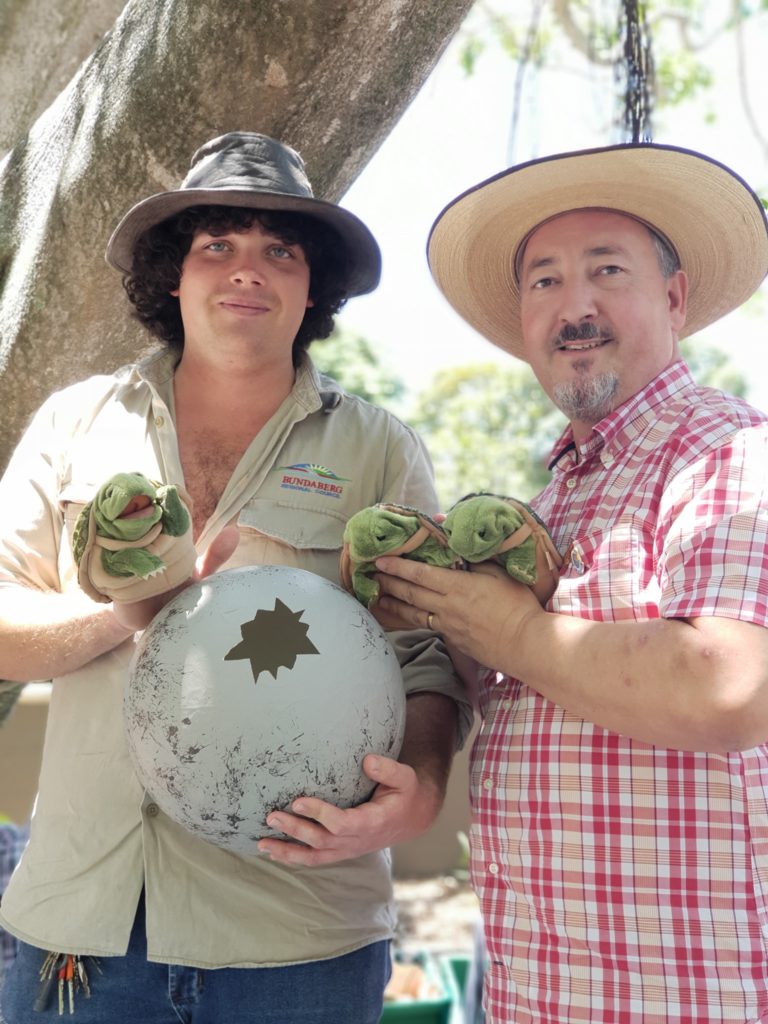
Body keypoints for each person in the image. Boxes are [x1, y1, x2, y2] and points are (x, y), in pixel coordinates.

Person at [0, 131, 471, 1024]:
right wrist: (132, 614)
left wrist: (422, 794)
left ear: (312, 289)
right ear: (174, 278)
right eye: (217, 243)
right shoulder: (74, 424)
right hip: (84, 934)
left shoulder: (378, 450)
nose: (246, 269)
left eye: (279, 250)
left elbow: (428, 659)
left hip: (301, 940)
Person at [373, 142, 768, 1023]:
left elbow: (731, 684)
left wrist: (507, 632)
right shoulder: (546, 502)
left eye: (606, 270)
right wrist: (438, 623)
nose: (572, 304)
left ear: (673, 298)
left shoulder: (731, 452)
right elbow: (542, 695)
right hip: (538, 990)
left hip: (692, 996)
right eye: (543, 281)